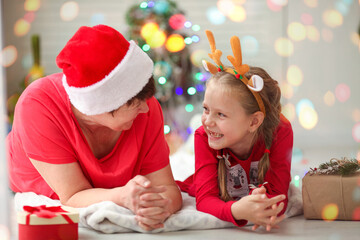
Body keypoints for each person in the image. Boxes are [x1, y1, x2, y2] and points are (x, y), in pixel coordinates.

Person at [7, 25, 182, 231]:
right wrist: (121, 197)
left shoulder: (148, 107)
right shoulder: (38, 104)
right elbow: (72, 195)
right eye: (135, 103)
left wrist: (161, 208)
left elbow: (169, 189)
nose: (145, 108)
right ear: (101, 104)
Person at [177, 30, 293, 231]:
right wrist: (238, 210)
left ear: (254, 122)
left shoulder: (280, 131)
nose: (208, 121)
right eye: (206, 109)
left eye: (221, 114)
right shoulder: (203, 136)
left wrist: (264, 206)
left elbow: (279, 194)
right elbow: (205, 200)